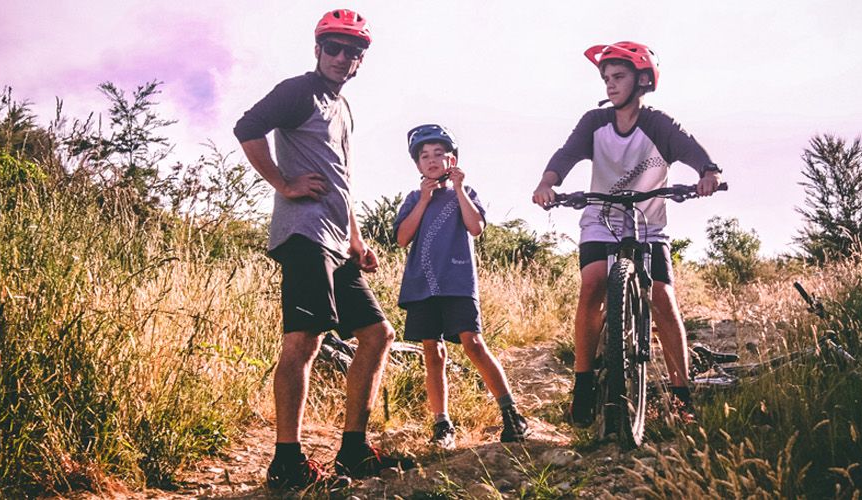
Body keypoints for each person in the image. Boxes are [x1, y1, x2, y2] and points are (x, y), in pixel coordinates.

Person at [233, 8, 413, 489]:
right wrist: (283, 182)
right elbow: (246, 128)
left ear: (360, 61)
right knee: (304, 342)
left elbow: (341, 181)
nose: (341, 57)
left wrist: (356, 238)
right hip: (304, 236)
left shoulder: (343, 106)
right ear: (318, 50)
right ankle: (286, 461)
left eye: (352, 52)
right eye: (333, 48)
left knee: (378, 336)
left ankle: (353, 451)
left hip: (337, 241)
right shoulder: (299, 91)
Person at [530, 41, 723, 426]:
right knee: (594, 281)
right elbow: (565, 156)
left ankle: (682, 396)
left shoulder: (658, 124)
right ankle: (583, 384)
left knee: (663, 299)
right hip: (601, 217)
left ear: (643, 79)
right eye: (606, 78)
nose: (610, 85)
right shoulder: (594, 123)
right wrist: (547, 184)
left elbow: (692, 151)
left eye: (618, 77)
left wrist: (708, 174)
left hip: (648, 222)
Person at [391, 124, 530, 448]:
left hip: (457, 281)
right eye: (424, 156)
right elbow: (401, 238)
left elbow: (476, 227)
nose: (431, 160)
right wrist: (424, 200)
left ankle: (511, 415)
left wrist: (461, 188)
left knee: (474, 343)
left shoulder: (465, 193)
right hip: (422, 285)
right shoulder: (413, 198)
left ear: (451, 159)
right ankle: (442, 426)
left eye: (438, 153)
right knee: (433, 352)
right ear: (417, 165)